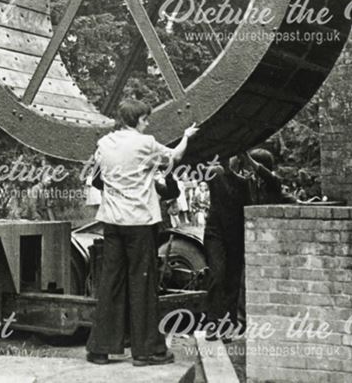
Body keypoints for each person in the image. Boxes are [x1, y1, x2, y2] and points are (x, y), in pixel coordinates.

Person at [85, 99, 199, 366]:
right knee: (143, 285)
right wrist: (186, 137)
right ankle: (147, 352)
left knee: (110, 284)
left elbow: (98, 178)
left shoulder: (104, 144)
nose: (148, 123)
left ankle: (100, 349)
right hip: (139, 223)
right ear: (136, 120)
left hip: (112, 223)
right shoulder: (145, 143)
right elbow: (175, 157)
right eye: (145, 119)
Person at [203, 148, 293, 339]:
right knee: (217, 276)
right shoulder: (218, 175)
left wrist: (249, 161)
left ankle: (228, 327)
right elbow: (210, 168)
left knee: (233, 281)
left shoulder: (251, 184)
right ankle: (213, 324)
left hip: (237, 236)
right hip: (217, 233)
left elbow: (272, 182)